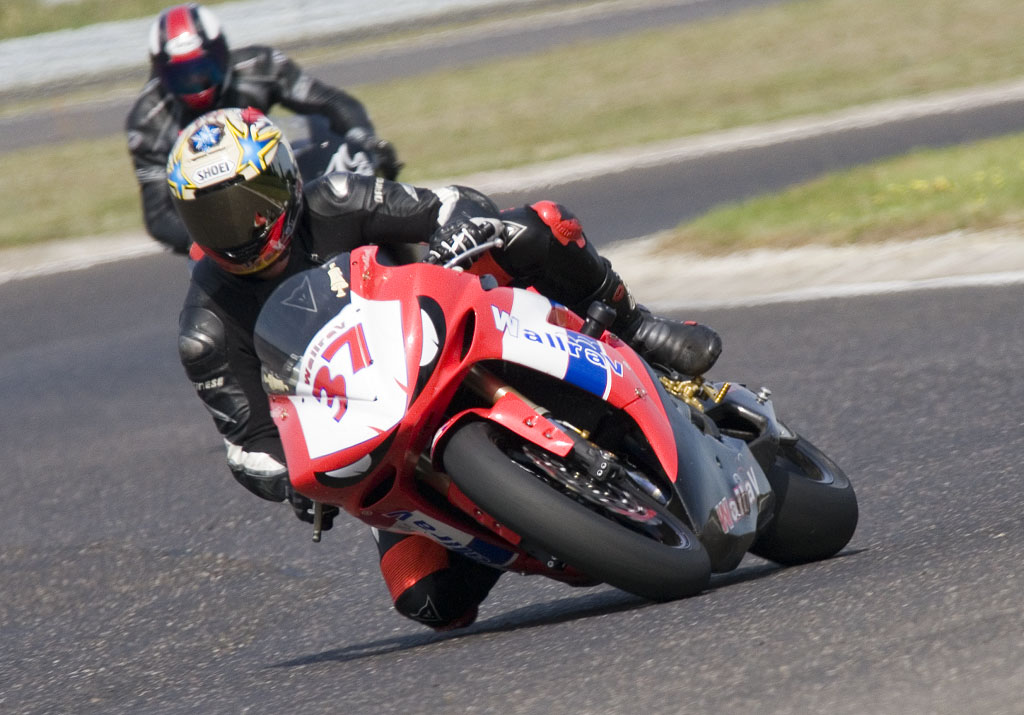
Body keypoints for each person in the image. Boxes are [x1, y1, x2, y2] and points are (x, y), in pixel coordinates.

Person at [171, 107, 721, 630]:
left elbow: (451, 203)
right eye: (210, 217)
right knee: (426, 596)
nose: (237, 229)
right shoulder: (206, 330)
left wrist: (454, 234)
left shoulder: (336, 199)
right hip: (374, 428)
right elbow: (247, 445)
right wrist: (289, 481)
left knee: (536, 225)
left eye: (251, 204)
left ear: (287, 181)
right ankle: (535, 527)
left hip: (440, 324)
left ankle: (638, 327)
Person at [126, 2, 400, 254]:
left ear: (222, 54)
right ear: (160, 73)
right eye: (181, 75)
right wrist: (203, 243)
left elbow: (331, 102)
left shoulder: (261, 65)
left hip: (275, 182)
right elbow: (158, 215)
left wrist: (365, 141)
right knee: (214, 283)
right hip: (218, 221)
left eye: (203, 69)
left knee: (369, 193)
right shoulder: (147, 123)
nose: (196, 82)